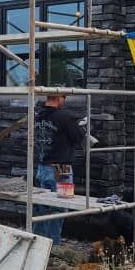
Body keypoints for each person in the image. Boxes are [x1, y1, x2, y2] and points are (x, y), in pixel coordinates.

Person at [33, 95, 85, 242]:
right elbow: (78, 137)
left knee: (42, 206)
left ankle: (38, 240)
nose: (65, 101)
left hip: (42, 167)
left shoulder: (38, 116)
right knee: (60, 207)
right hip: (61, 169)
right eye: (64, 98)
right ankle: (53, 243)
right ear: (59, 99)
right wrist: (81, 126)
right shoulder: (64, 117)